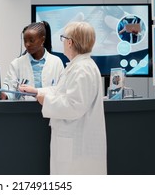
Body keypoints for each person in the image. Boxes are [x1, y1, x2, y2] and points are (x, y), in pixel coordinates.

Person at [19, 21, 107, 175]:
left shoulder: (82, 69)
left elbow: (74, 106)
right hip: (72, 141)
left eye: (63, 38)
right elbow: (61, 90)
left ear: (70, 42)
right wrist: (37, 91)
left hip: (76, 145)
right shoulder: (78, 65)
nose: (63, 42)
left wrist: (45, 100)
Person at [1, 21, 63, 100]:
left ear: (42, 40)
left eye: (31, 40)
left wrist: (37, 91)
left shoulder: (56, 62)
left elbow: (61, 90)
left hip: (50, 109)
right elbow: (10, 89)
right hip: (25, 110)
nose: (27, 44)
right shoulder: (16, 64)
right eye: (25, 41)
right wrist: (6, 95)